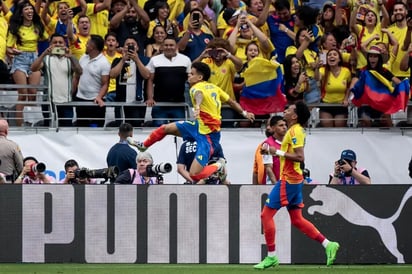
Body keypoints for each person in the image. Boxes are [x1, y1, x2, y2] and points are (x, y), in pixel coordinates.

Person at [128, 62, 254, 182]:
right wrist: (244, 113)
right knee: (165, 128)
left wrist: (198, 106)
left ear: (200, 77)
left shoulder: (195, 88)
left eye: (192, 73)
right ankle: (144, 145)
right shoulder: (215, 88)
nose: (189, 75)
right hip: (197, 126)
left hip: (208, 135)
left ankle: (219, 166)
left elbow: (199, 94)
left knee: (195, 175)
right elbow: (231, 102)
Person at [254, 101, 339, 269]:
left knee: (266, 215)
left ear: (294, 116)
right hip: (294, 179)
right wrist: (273, 151)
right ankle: (328, 244)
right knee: (297, 220)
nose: (285, 111)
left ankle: (271, 256)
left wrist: (274, 151)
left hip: (289, 180)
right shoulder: (295, 130)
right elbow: (292, 155)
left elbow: (300, 157)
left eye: (289, 109)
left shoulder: (295, 131)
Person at [6, 0, 48, 126]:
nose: (30, 11)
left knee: (33, 93)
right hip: (20, 59)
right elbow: (8, 48)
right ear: (21, 13)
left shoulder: (37, 26)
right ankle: (20, 124)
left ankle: (32, 123)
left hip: (34, 59)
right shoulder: (16, 28)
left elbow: (46, 38)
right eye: (26, 9)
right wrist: (14, 52)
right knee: (23, 94)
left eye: (31, 9)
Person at [31, 33, 83, 127]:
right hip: (49, 102)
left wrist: (71, 56)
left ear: (65, 44)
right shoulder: (46, 58)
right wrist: (44, 53)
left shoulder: (70, 59)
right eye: (55, 42)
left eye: (60, 42)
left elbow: (79, 71)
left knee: (67, 130)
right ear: (50, 44)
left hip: (66, 102)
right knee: (48, 129)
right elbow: (33, 68)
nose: (58, 44)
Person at [145, 36, 191, 126]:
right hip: (159, 103)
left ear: (176, 46)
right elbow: (150, 80)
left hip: (179, 103)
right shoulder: (154, 60)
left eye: (171, 45)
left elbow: (190, 80)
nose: (168, 47)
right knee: (159, 131)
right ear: (161, 47)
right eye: (166, 45)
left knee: (179, 130)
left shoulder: (186, 60)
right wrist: (150, 98)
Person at [109, 36, 150, 127]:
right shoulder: (117, 60)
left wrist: (137, 60)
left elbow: (147, 75)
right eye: (128, 45)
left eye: (133, 45)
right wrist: (123, 60)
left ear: (137, 48)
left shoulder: (145, 60)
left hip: (138, 102)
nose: (130, 46)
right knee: (121, 126)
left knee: (137, 126)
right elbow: (112, 75)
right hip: (121, 101)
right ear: (123, 48)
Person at [74, 35, 111, 127]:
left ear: (92, 47)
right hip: (81, 99)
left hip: (95, 101)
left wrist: (99, 97)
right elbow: (77, 77)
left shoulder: (104, 63)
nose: (86, 45)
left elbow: (105, 84)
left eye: (87, 44)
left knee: (96, 129)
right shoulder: (83, 57)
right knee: (81, 128)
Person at [261, 115, 287, 184]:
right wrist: (276, 185)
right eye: (281, 125)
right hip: (273, 184)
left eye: (285, 125)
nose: (284, 127)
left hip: (288, 182)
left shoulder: (289, 143)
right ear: (273, 128)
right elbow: (269, 169)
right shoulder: (267, 144)